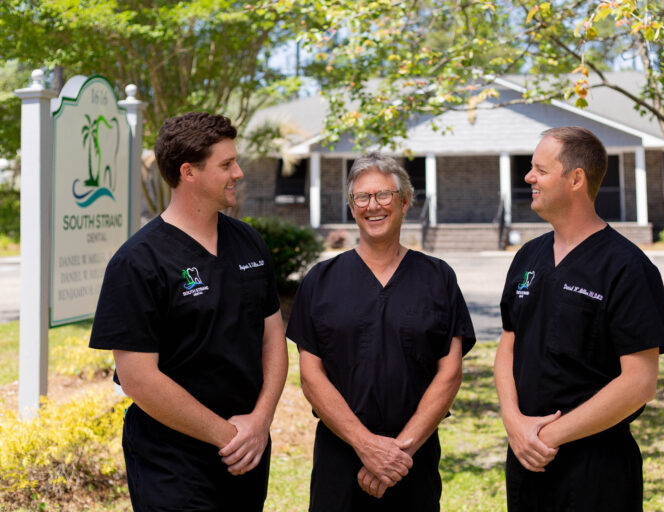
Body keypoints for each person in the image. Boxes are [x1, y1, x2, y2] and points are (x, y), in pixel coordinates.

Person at [89, 112, 288, 511]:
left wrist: (260, 421)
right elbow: (138, 379)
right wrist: (228, 434)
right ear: (188, 173)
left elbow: (273, 339)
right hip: (172, 461)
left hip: (247, 452)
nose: (239, 172)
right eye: (226, 164)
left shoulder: (248, 242)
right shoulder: (138, 262)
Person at [495, 126, 664, 511]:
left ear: (576, 178)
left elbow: (639, 382)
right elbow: (508, 344)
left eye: (540, 170)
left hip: (596, 470)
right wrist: (514, 422)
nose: (529, 178)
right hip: (527, 462)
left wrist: (548, 435)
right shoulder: (528, 257)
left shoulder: (627, 267)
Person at [286, 152, 476, 511]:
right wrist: (366, 446)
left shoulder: (438, 278)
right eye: (362, 197)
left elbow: (449, 374)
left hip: (413, 458)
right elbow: (311, 377)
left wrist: (397, 452)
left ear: (405, 201)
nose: (373, 205)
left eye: (384, 195)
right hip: (339, 458)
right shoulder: (320, 281)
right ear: (352, 205)